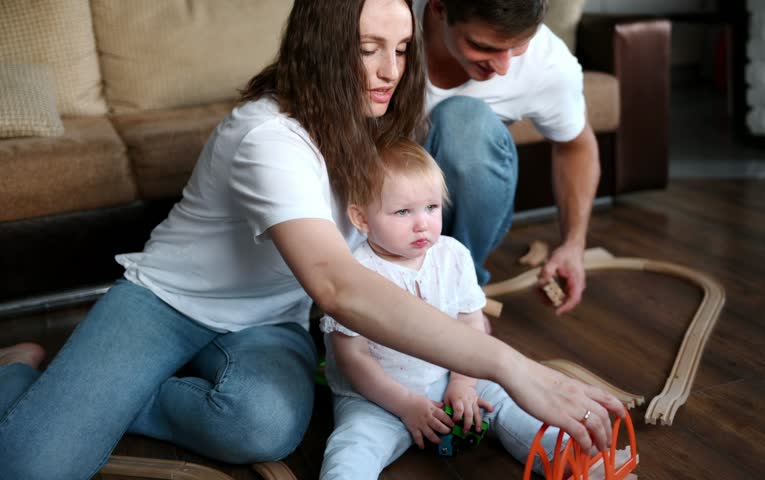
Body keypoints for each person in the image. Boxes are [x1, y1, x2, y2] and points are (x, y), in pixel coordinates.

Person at [0, 1, 623, 479]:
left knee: (263, 427)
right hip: (167, 304)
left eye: (401, 50)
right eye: (367, 49)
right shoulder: (267, 135)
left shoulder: (378, 125)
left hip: (273, 319)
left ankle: (93, 389)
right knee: (32, 467)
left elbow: (368, 262)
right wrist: (511, 367)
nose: (389, 71)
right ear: (323, 49)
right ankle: (34, 371)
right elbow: (335, 283)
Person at [320, 139, 581, 479]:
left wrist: (463, 382)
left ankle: (567, 458)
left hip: (448, 377)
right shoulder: (353, 273)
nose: (422, 224)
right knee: (354, 447)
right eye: (402, 212)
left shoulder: (453, 255)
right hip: (377, 398)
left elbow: (471, 323)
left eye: (431, 207)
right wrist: (406, 405)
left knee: (507, 402)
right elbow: (353, 358)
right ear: (361, 218)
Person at [417, 0, 599, 314]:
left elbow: (576, 147)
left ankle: (458, 290)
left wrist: (573, 244)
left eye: (517, 47)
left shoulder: (548, 63)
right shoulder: (383, 21)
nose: (502, 68)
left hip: (450, 212)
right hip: (370, 200)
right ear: (438, 7)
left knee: (465, 122)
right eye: (482, 46)